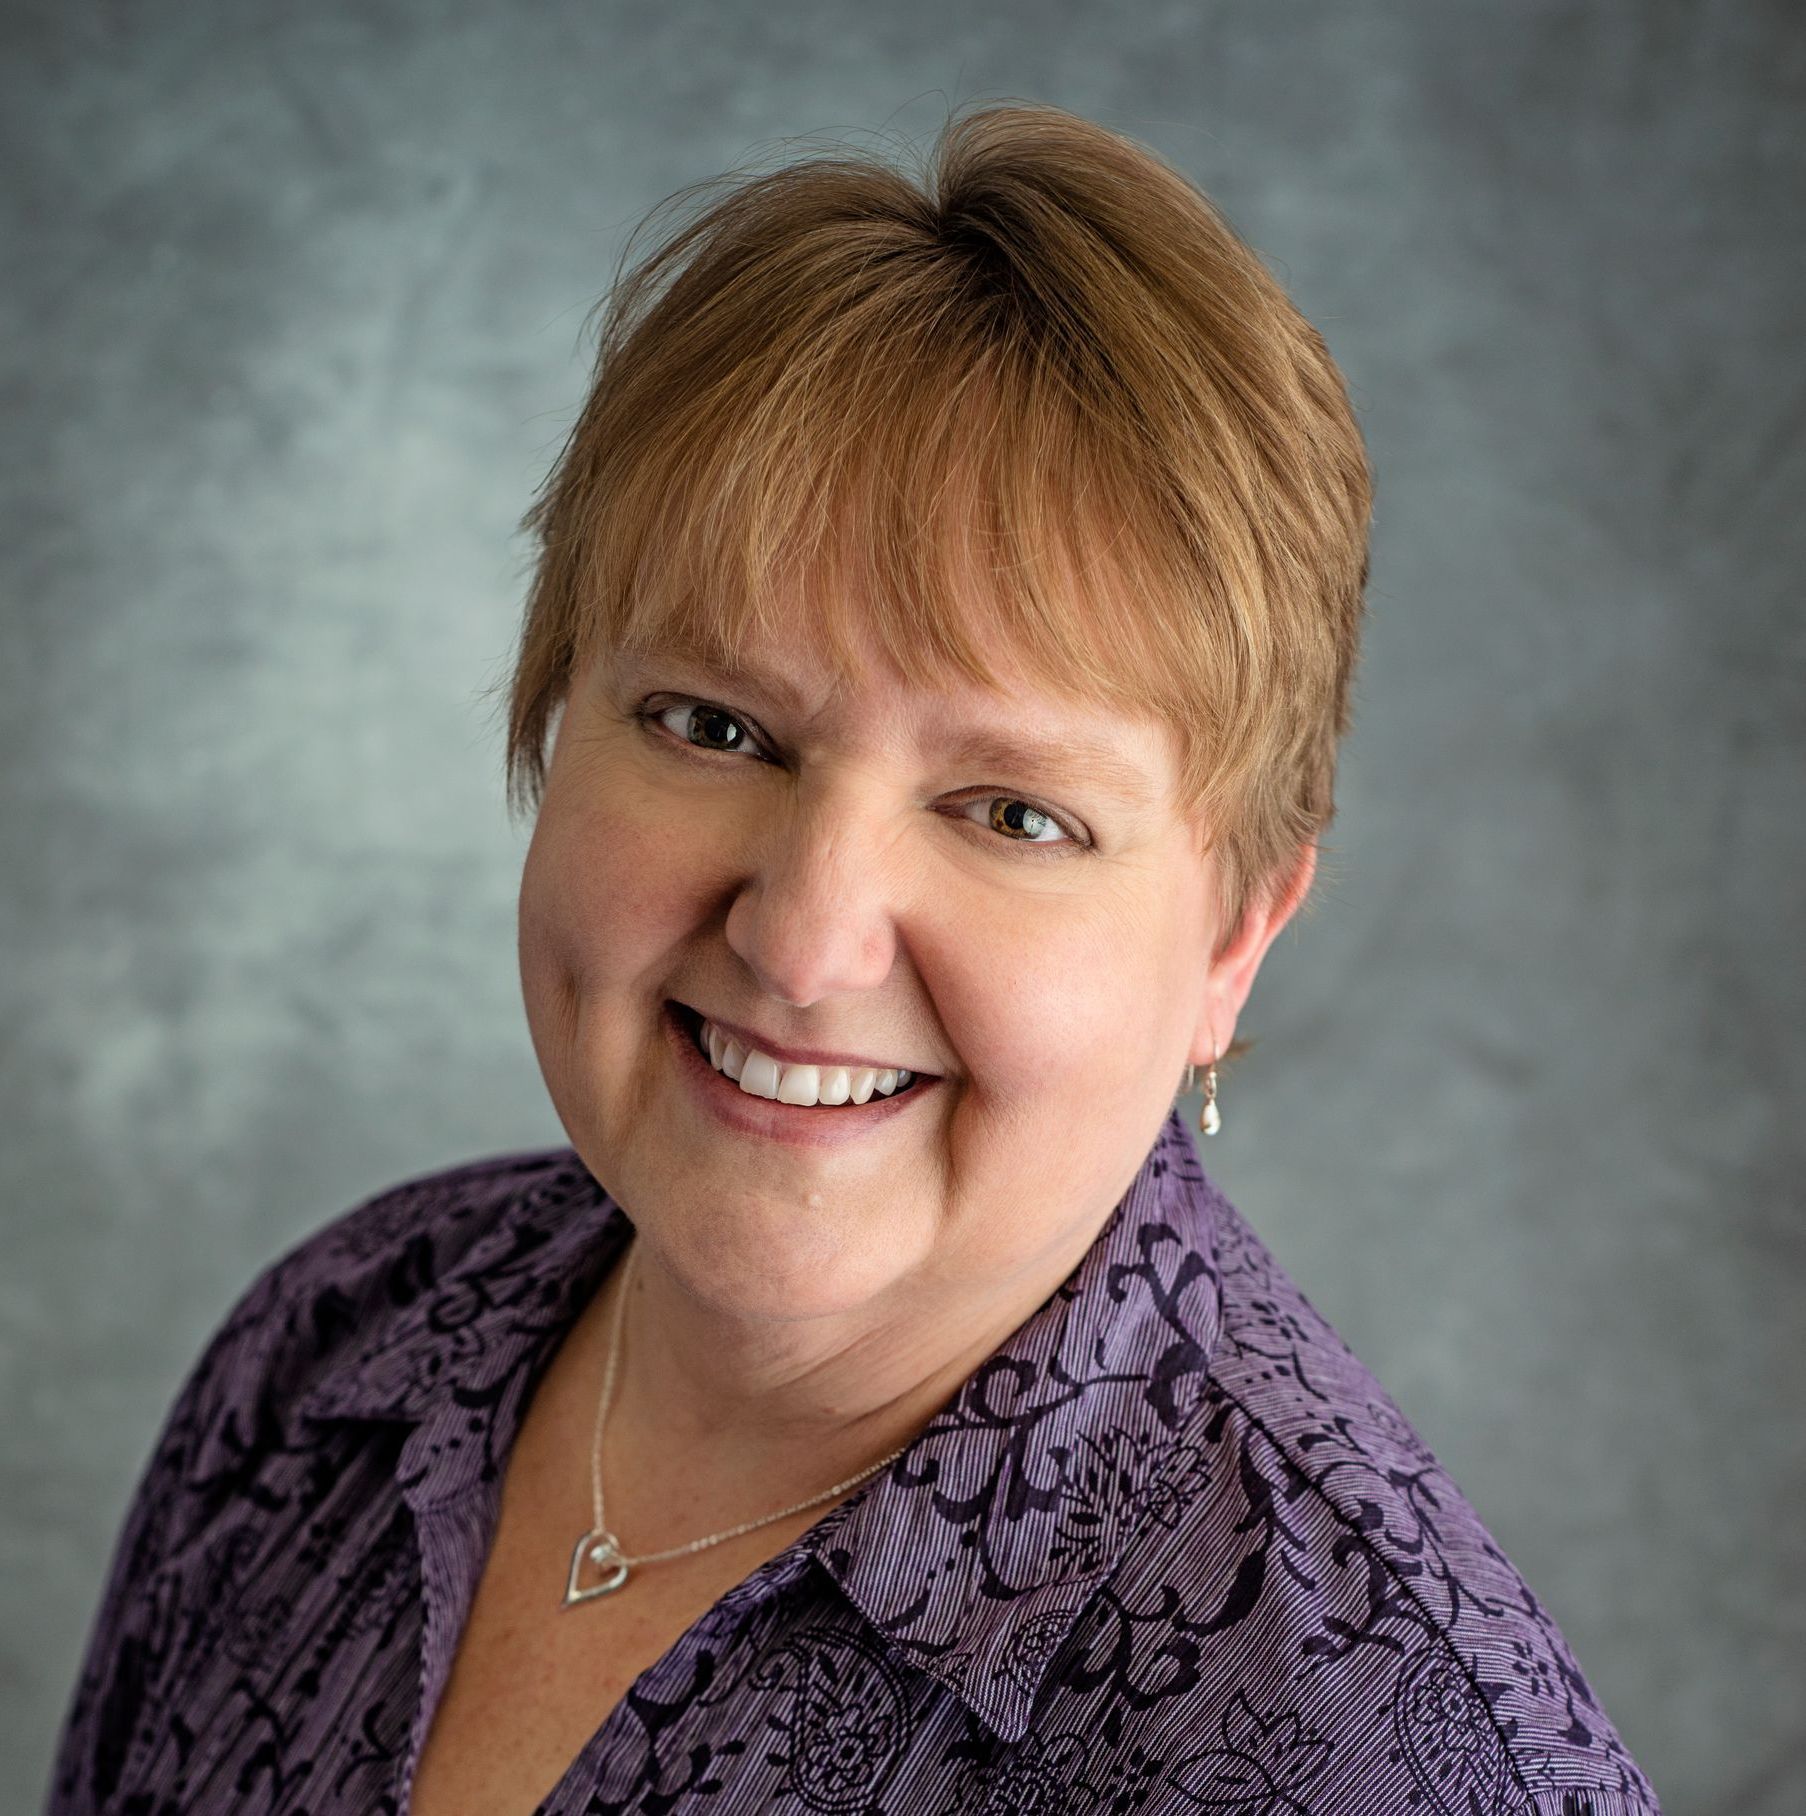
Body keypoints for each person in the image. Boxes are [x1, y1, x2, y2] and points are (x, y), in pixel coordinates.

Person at [44, 100, 1661, 1815]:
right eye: (713, 725)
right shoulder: (330, 1364)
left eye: (1010, 813)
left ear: (1233, 938)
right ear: (548, 714)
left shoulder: (1385, 1759)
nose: (805, 939)